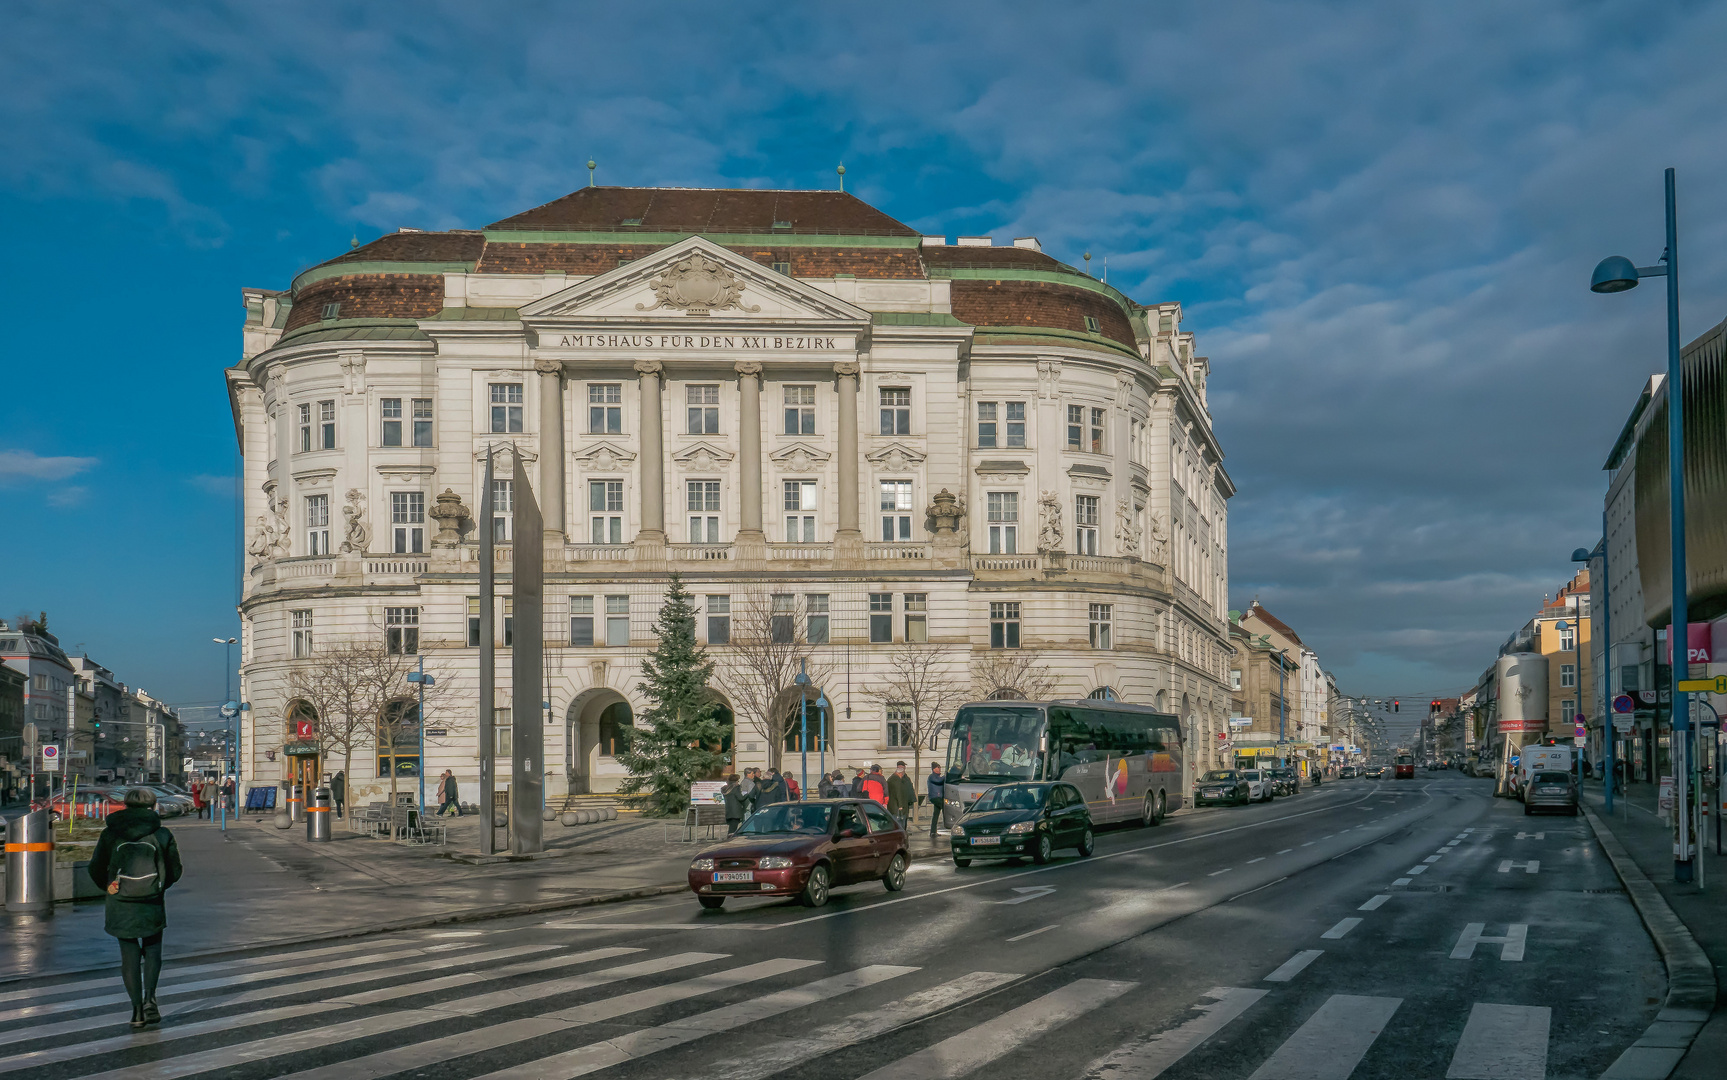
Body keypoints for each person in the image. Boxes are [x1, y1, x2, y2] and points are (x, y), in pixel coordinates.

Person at [87, 787, 183, 1029]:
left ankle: (137, 1012)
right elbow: (175, 870)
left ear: (125, 805)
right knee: (152, 951)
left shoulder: (111, 833)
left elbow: (95, 868)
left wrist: (110, 887)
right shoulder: (161, 833)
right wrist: (157, 886)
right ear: (153, 806)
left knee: (128, 957)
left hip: (120, 903)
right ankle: (151, 1000)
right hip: (151, 901)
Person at [886, 762, 916, 827]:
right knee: (900, 823)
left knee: (901, 821)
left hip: (899, 804)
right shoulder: (896, 779)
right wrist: (900, 805)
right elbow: (898, 793)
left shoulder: (897, 778)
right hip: (898, 806)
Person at [926, 762, 948, 838]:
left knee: (936, 814)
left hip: (939, 797)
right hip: (935, 797)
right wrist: (946, 776)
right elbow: (939, 781)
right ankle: (950, 824)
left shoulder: (938, 777)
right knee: (946, 809)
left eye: (939, 768)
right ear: (934, 769)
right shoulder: (932, 777)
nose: (939, 769)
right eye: (938, 768)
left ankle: (933, 832)